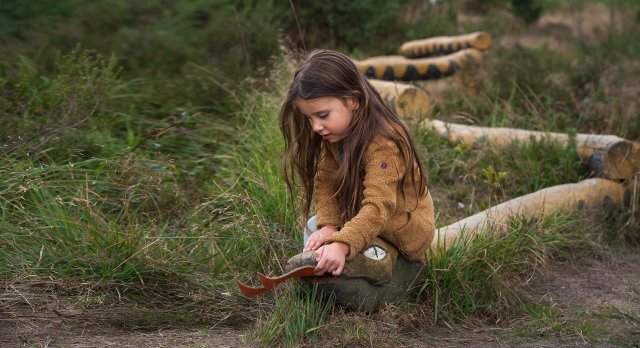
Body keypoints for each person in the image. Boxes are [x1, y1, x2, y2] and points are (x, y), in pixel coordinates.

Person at [279, 49, 435, 278]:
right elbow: (326, 185)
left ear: (353, 101)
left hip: (398, 229)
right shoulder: (334, 137)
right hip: (364, 217)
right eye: (309, 118)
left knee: (365, 254)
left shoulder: (385, 145)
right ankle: (325, 272)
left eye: (322, 115)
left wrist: (341, 243)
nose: (315, 127)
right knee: (314, 227)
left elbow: (378, 206)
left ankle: (395, 273)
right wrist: (330, 228)